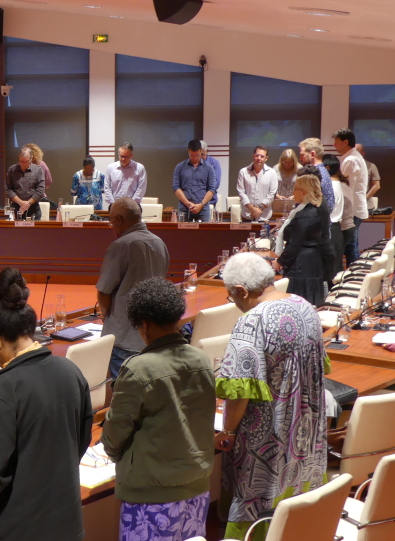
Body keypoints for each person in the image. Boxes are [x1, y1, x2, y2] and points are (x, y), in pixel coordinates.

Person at [0, 268, 92, 541]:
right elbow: (80, 443)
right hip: (68, 524)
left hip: (16, 530)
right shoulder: (70, 371)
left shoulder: (4, 390)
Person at [216, 253, 328, 540]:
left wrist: (228, 431)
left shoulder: (252, 321)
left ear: (241, 291)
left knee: (258, 499)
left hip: (268, 439)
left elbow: (239, 390)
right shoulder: (305, 306)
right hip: (305, 432)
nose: (234, 302)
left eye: (231, 296)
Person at [102, 277, 215, 541]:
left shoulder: (138, 369)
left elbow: (114, 434)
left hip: (152, 497)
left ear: (144, 324)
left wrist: (111, 450)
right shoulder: (201, 358)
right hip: (197, 488)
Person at [96, 198, 170, 376]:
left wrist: (105, 314)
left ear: (118, 220)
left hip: (124, 337)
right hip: (152, 333)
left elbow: (104, 291)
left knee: (123, 388)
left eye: (111, 222)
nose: (112, 227)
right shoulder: (160, 243)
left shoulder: (122, 245)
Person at [271, 174, 331, 306]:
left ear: (303, 192)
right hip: (312, 262)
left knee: (297, 305)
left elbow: (294, 244)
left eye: (295, 189)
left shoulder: (304, 215)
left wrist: (280, 262)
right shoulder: (317, 210)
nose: (292, 193)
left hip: (301, 266)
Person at [333, 128, 368, 266]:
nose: (334, 144)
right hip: (355, 207)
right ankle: (352, 274)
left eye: (336, 141)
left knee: (350, 246)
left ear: (345, 142)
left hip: (352, 208)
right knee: (351, 245)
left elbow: (347, 188)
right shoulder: (352, 157)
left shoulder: (351, 159)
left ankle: (352, 275)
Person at [323, 154, 353, 280]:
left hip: (332, 229)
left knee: (330, 273)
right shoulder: (340, 184)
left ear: (327, 168)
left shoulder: (330, 186)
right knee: (335, 269)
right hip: (337, 229)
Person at [173, 139, 217, 222]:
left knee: (204, 230)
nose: (194, 158)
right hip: (184, 208)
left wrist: (201, 205)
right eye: (192, 155)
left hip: (203, 209)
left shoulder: (209, 168)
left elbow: (212, 189)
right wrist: (188, 203)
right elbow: (176, 187)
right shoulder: (180, 167)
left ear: (201, 151)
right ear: (188, 151)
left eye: (197, 155)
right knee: (182, 230)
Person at [236, 145, 278, 222]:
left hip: (265, 216)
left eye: (262, 156)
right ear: (253, 156)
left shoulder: (272, 173)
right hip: (247, 215)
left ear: (266, 158)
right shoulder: (243, 172)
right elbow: (241, 192)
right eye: (257, 155)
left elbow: (272, 194)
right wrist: (252, 209)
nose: (259, 158)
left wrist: (259, 209)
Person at [5, 147, 45, 220]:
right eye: (21, 161)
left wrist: (28, 203)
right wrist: (21, 203)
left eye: (26, 161)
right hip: (16, 208)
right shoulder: (12, 170)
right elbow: (8, 189)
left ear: (31, 159)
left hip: (33, 208)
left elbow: (40, 190)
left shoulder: (38, 170)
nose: (23, 164)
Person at [103, 142, 147, 207]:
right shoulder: (110, 168)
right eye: (121, 156)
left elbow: (141, 188)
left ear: (131, 155)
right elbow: (107, 187)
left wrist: (131, 204)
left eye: (126, 156)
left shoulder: (139, 168)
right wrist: (113, 203)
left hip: (133, 206)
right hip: (114, 205)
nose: (123, 159)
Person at [297, 137, 335, 212]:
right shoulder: (323, 171)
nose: (300, 158)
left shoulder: (315, 174)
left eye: (302, 155)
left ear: (312, 154)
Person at [200, 140, 222, 210]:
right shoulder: (193, 164)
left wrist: (205, 197)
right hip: (194, 201)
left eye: (202, 154)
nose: (200, 157)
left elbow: (216, 183)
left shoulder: (214, 163)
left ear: (207, 151)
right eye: (198, 155)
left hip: (210, 201)